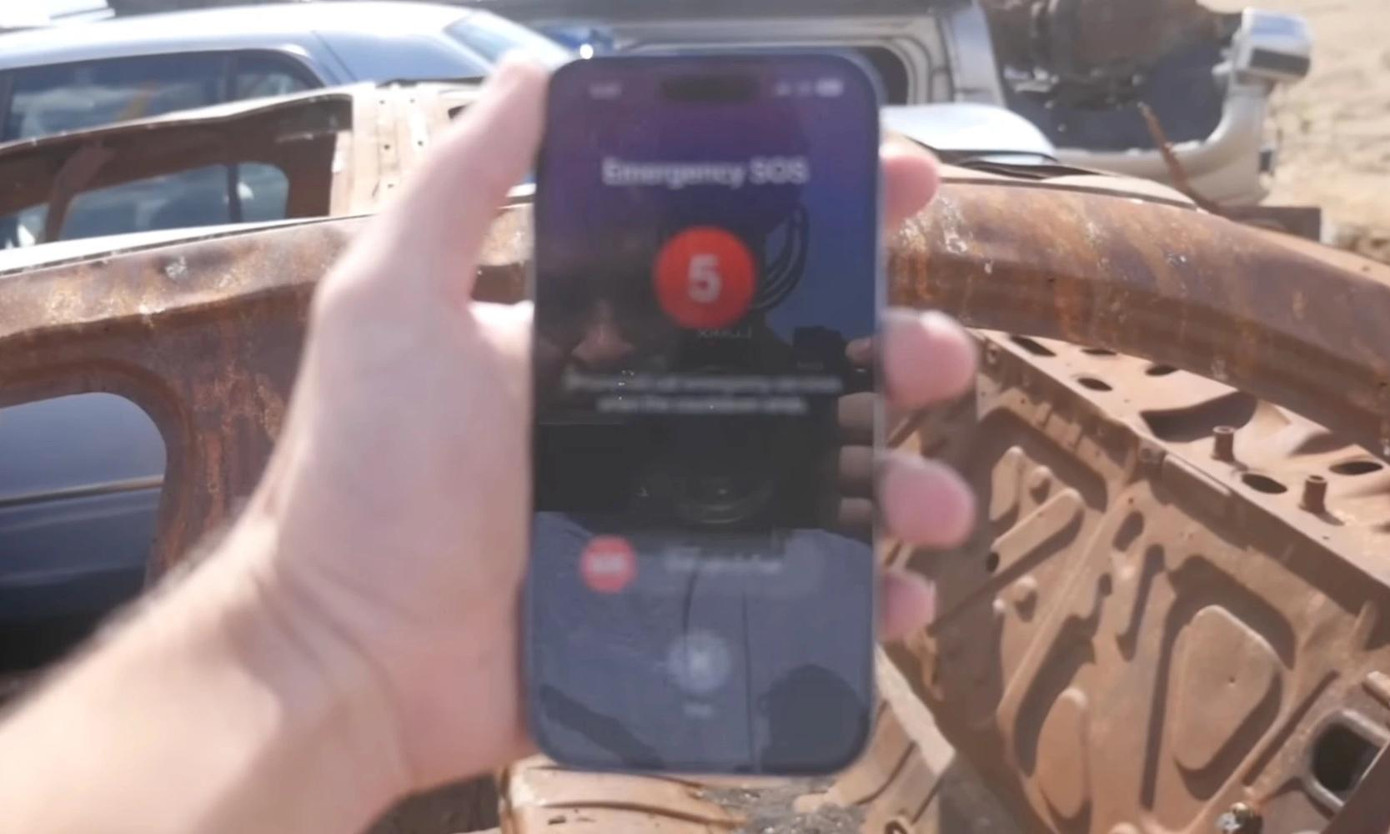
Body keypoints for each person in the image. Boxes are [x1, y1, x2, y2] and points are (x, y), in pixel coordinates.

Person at [0, 57, 977, 833]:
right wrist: (317, 634)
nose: (603, 343)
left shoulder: (794, 397)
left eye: (647, 309)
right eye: (583, 302)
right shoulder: (523, 456)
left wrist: (311, 646)